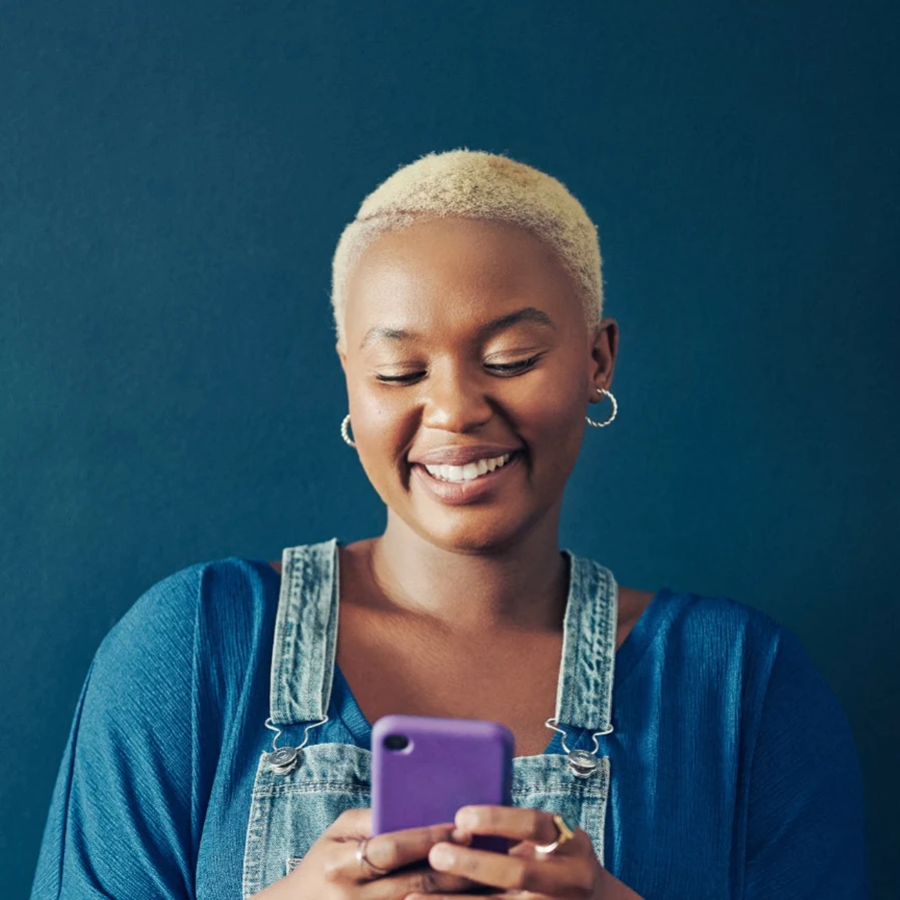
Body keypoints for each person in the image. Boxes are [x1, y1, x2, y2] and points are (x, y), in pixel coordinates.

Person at [30, 150, 869, 900]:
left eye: (510, 360)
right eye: (399, 370)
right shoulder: (193, 650)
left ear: (597, 360)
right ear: (352, 384)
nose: (456, 411)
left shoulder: (741, 689)